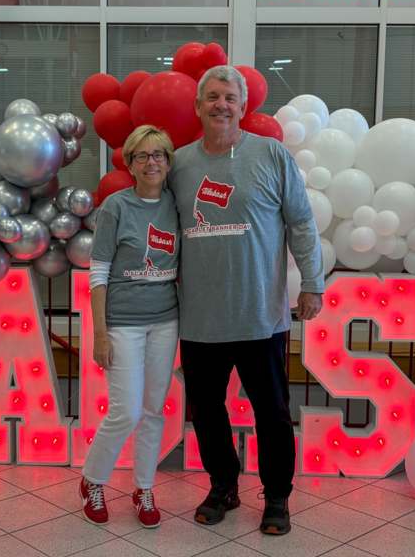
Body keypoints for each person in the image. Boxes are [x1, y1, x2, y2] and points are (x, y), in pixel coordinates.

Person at [168, 65, 324, 535]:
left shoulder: (272, 155)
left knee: (272, 415)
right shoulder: (177, 164)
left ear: (243, 106)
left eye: (230, 98)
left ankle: (277, 497)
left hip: (261, 317)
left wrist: (312, 282)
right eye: (212, 97)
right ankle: (223, 487)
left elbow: (301, 222)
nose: (221, 105)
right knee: (209, 412)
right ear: (198, 106)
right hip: (200, 318)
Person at [79, 125, 180, 529]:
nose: (151, 162)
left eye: (159, 155)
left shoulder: (177, 205)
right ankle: (93, 480)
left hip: (166, 321)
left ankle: (144, 487)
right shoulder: (116, 207)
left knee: (154, 410)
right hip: (122, 323)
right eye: (143, 156)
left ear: (168, 162)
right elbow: (98, 272)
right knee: (125, 411)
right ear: (131, 164)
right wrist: (100, 332)